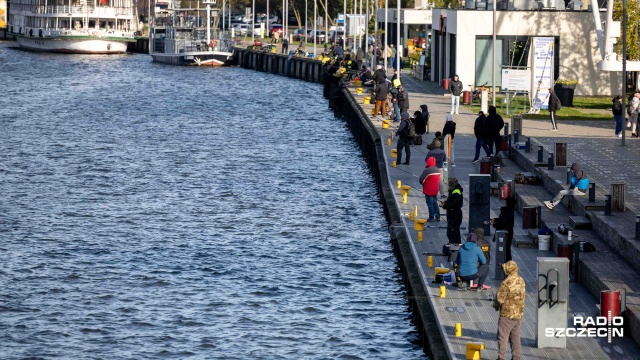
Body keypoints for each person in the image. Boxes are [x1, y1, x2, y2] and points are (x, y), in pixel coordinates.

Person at [494, 260, 525, 360]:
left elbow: (499, 299)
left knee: (502, 336)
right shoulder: (521, 280)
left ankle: (501, 357)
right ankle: (516, 357)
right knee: (515, 337)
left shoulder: (506, 283)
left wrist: (496, 306)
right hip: (518, 314)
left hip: (507, 314)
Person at [492, 196, 516, 263]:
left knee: (506, 250)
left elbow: (502, 222)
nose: (504, 204)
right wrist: (496, 220)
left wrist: (495, 223)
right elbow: (502, 220)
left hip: (505, 234)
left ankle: (507, 264)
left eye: (506, 202)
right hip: (506, 232)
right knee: (506, 250)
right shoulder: (506, 211)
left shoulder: (509, 213)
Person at [441, 178, 463, 244]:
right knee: (454, 230)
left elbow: (453, 203)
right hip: (453, 213)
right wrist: (446, 202)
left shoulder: (456, 192)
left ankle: (453, 244)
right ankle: (454, 244)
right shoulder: (454, 190)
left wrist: (445, 205)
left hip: (454, 214)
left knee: (452, 230)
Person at [419, 156, 441, 221]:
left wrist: (423, 184)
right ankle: (438, 216)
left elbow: (421, 180)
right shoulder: (437, 169)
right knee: (435, 203)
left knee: (430, 203)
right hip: (435, 190)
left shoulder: (427, 170)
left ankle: (431, 217)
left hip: (428, 190)